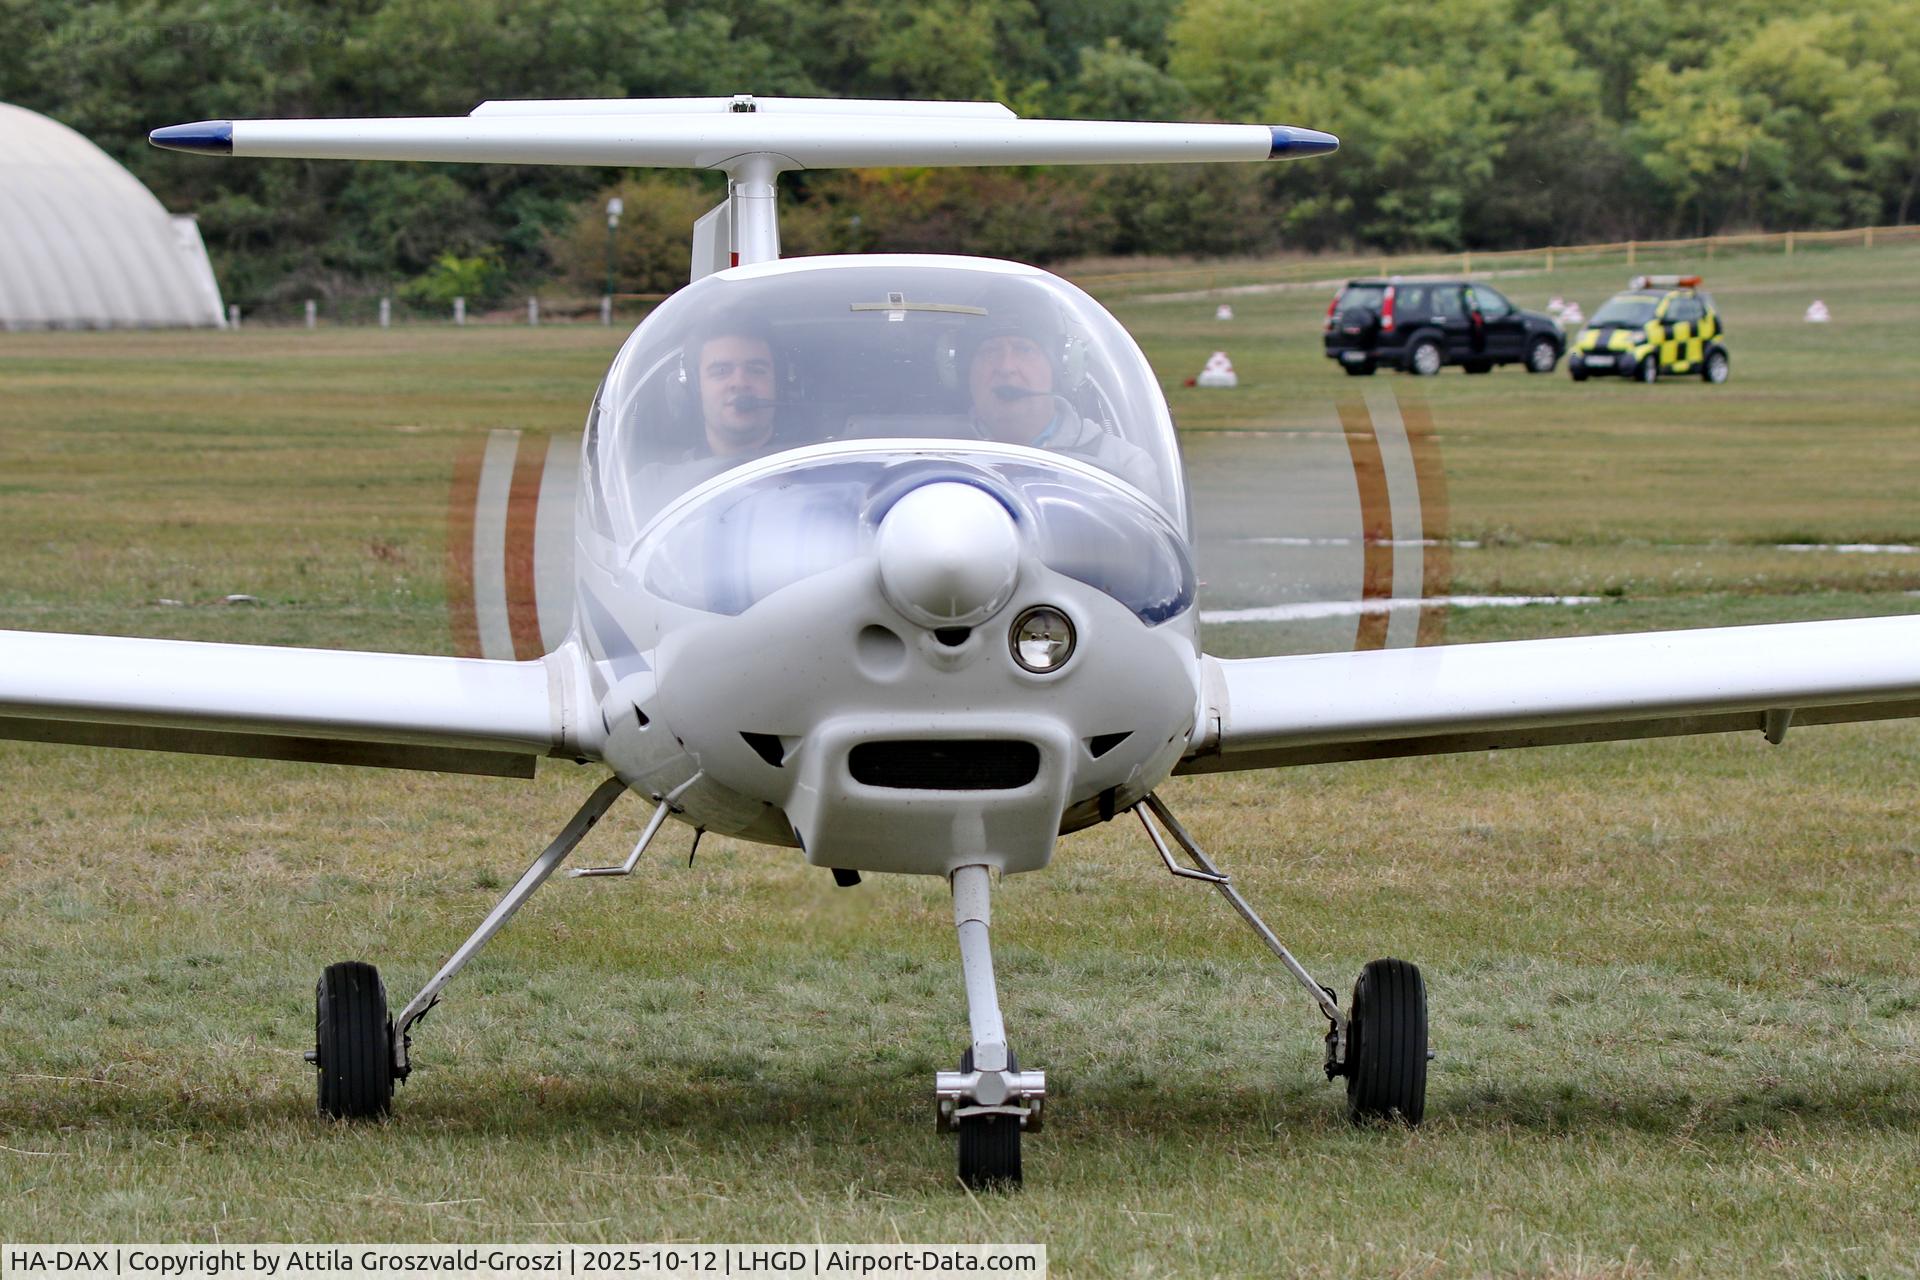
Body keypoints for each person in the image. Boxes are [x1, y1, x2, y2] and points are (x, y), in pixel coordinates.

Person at [964, 304, 1159, 496]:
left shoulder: (1123, 466)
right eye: (990, 352)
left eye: (1024, 350)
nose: (1006, 367)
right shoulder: (938, 450)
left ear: (1062, 368)